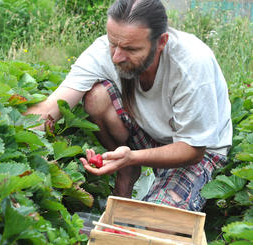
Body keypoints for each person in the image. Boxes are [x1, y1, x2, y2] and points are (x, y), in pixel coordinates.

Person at [26, 0, 232, 211]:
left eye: (130, 48)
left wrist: (131, 157)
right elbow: (51, 108)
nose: (116, 56)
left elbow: (193, 149)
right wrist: (12, 132)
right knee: (97, 97)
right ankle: (126, 174)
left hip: (193, 149)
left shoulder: (191, 63)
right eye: (113, 43)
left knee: (157, 219)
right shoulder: (104, 51)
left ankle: (132, 171)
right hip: (148, 134)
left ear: (161, 42)